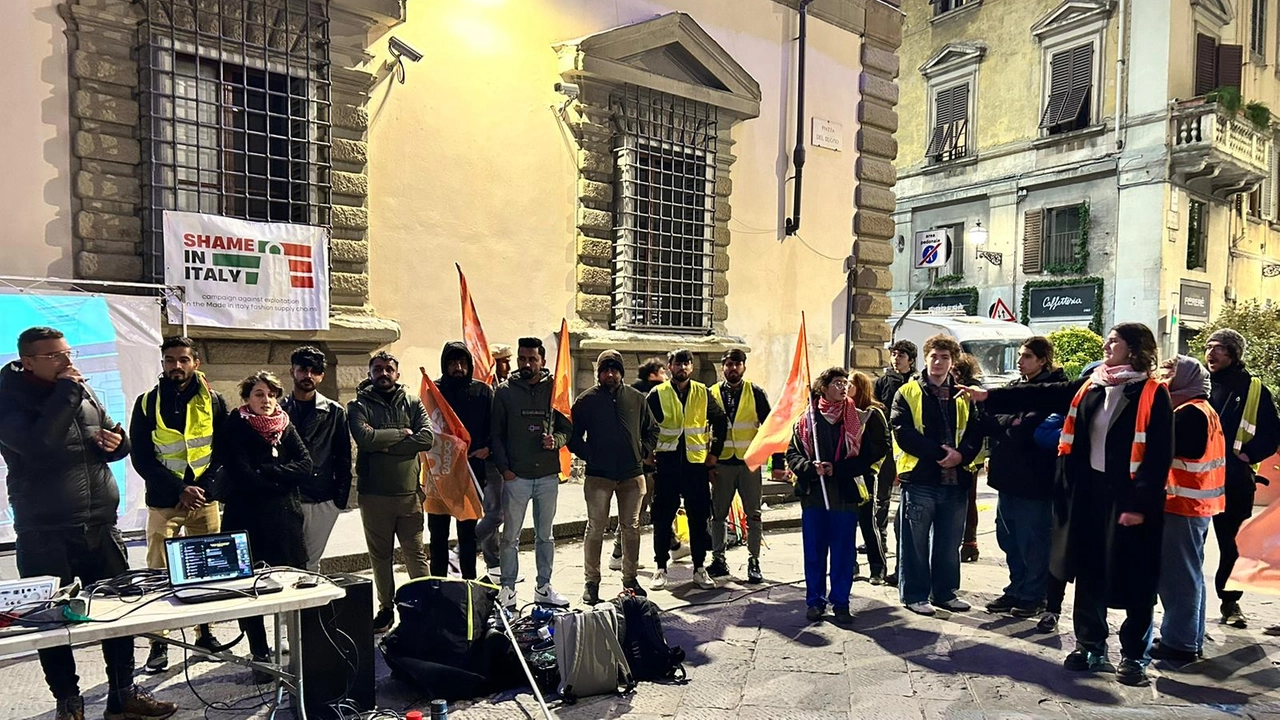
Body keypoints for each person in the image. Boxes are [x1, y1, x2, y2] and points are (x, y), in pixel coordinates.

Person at [968, 323, 1174, 686]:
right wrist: (989, 397)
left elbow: (1158, 456)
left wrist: (1139, 503)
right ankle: (1090, 645)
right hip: (1087, 492)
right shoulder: (1093, 383)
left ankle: (1133, 655)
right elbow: (1046, 393)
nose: (1108, 345)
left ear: (1135, 348)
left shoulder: (1154, 393)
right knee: (1088, 569)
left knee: (1135, 576)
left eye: (1115, 341)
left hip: (1129, 498)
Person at [0, 327, 178, 720]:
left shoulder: (80, 389)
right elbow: (36, 448)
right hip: (45, 529)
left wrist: (120, 444)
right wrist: (66, 392)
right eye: (55, 356)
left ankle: (123, 693)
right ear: (28, 361)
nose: (68, 362)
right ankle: (69, 701)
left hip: (100, 522)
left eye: (68, 352)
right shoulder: (9, 400)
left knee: (118, 612)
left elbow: (113, 434)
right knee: (52, 622)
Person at [129, 336, 229, 673]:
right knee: (159, 572)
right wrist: (179, 489)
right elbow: (142, 458)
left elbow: (222, 453)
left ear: (195, 363)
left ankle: (205, 634)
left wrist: (201, 489)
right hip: (164, 502)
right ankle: (160, 642)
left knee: (209, 568)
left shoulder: (214, 401)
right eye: (170, 360)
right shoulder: (146, 403)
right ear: (163, 364)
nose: (176, 366)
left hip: (205, 499)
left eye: (183, 360)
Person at [216, 371, 312, 682]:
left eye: (271, 394)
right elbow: (242, 474)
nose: (266, 401)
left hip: (286, 520)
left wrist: (270, 470)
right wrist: (281, 479)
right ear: (247, 398)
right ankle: (260, 654)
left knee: (293, 585)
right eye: (259, 394)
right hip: (247, 520)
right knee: (250, 591)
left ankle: (299, 652)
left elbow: (306, 465)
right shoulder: (235, 427)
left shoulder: (285, 424)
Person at [891, 334, 984, 616]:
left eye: (945, 357)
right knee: (915, 542)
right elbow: (902, 431)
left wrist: (961, 455)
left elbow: (976, 431)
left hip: (956, 480)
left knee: (948, 542)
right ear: (925, 358)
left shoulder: (964, 394)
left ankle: (945, 593)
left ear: (953, 362)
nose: (938, 362)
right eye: (934, 356)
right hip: (920, 478)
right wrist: (940, 454)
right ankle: (915, 595)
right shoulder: (907, 392)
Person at [787, 367, 888, 624]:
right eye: (837, 383)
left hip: (845, 495)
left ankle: (841, 602)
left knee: (844, 552)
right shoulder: (806, 419)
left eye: (845, 383)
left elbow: (875, 452)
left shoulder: (858, 417)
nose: (843, 388)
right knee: (814, 551)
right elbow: (793, 453)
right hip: (814, 496)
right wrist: (811, 468)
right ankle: (815, 601)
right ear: (824, 388)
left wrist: (839, 469)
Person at [348, 351, 434, 633]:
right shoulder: (358, 404)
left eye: (389, 369)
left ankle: (425, 607)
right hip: (374, 495)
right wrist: (402, 433)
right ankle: (386, 610)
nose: (383, 373)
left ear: (397, 374)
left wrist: (383, 443)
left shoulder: (411, 402)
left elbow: (426, 438)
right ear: (370, 373)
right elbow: (364, 438)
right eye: (378, 369)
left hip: (409, 494)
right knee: (380, 557)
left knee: (415, 554)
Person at [983, 337, 1068, 620]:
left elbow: (1032, 429)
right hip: (1007, 476)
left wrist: (1016, 423)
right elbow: (989, 420)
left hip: (1035, 480)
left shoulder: (1054, 391)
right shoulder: (1014, 387)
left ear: (1043, 360)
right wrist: (1012, 422)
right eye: (1020, 355)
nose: (1021, 361)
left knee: (1034, 539)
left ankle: (1034, 594)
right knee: (1007, 537)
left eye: (1028, 356)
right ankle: (1016, 587)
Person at [1150, 355, 1225, 664]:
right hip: (1194, 504)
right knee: (1190, 575)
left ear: (1185, 378)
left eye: (1168, 371)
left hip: (1183, 504)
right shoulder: (1199, 409)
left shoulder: (1188, 413)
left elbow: (1177, 450)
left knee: (1177, 578)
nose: (1162, 376)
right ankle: (1188, 637)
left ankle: (1179, 643)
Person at [1204, 328, 1280, 629]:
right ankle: (1186, 610)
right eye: (1209, 346)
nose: (1212, 353)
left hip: (1233, 481)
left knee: (1231, 544)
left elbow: (1272, 433)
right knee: (1187, 547)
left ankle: (1230, 602)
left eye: (1220, 347)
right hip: (1195, 481)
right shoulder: (1199, 383)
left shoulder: (1253, 389)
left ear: (1234, 353)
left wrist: (1249, 454)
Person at [569, 350, 659, 604]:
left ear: (621, 372)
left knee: (631, 528)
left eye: (615, 369)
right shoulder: (586, 401)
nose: (610, 374)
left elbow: (652, 429)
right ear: (599, 373)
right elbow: (573, 437)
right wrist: (590, 455)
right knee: (595, 528)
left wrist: (642, 450)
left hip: (632, 476)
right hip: (599, 476)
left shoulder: (636, 398)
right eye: (605, 369)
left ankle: (630, 579)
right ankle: (591, 582)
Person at [491, 337, 573, 610]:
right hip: (517, 478)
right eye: (522, 359)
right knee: (510, 537)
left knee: (545, 536)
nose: (526, 364)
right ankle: (508, 589)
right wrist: (506, 470)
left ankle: (544, 586)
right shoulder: (504, 392)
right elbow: (496, 435)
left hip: (548, 476)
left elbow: (567, 427)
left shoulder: (555, 390)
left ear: (543, 361)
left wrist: (557, 440)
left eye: (532, 359)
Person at [647, 348, 729, 590]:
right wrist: (647, 454)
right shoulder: (657, 393)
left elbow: (720, 420)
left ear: (691, 368)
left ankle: (699, 568)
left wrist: (715, 452)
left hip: (696, 465)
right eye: (677, 364)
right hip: (667, 464)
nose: (682, 368)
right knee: (662, 518)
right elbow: (644, 424)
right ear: (669, 367)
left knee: (698, 518)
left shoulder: (702, 392)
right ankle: (660, 567)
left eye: (686, 364)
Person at [708, 348, 787, 584]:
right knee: (718, 515)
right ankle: (718, 559)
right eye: (729, 364)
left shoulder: (756, 393)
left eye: (737, 364)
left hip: (749, 464)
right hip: (721, 463)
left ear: (744, 367)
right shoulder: (711, 393)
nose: (733, 368)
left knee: (754, 514)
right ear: (723, 367)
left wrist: (778, 463)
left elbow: (772, 428)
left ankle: (754, 561)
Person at [282, 346, 352, 573]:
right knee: (285, 564)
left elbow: (343, 456)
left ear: (321, 376)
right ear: (293, 371)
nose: (308, 376)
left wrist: (339, 499)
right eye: (303, 369)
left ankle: (310, 609)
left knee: (311, 565)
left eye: (315, 371)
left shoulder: (334, 412)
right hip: (286, 497)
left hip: (321, 499)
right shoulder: (278, 410)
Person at [432, 342, 493, 580]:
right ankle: (437, 586)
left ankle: (469, 585)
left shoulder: (483, 392)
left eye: (462, 363)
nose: (458, 368)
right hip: (441, 474)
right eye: (452, 363)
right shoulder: (433, 392)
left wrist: (488, 449)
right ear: (444, 365)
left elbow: (494, 427)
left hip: (471, 472)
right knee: (438, 534)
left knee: (467, 534)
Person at [610, 358, 670, 569]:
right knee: (635, 511)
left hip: (639, 460)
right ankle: (618, 553)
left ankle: (672, 542)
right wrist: (647, 453)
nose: (666, 375)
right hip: (645, 462)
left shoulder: (631, 392)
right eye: (663, 371)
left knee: (651, 507)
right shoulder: (655, 393)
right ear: (653, 373)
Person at [874, 339, 916, 586]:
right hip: (887, 451)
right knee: (880, 502)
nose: (896, 358)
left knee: (908, 508)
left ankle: (904, 562)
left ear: (911, 360)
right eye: (894, 354)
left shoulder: (918, 383)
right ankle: (880, 549)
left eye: (901, 355)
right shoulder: (882, 382)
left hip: (910, 452)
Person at [848, 371, 892, 584]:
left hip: (865, 475)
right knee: (846, 522)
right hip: (846, 474)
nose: (846, 387)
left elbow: (883, 445)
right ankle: (850, 565)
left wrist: (864, 464)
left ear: (861, 388)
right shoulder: (843, 410)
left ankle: (878, 568)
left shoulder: (873, 413)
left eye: (850, 384)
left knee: (867, 521)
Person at [951, 353, 984, 564]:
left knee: (968, 499)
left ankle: (970, 543)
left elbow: (978, 425)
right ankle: (967, 543)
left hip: (971, 456)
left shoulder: (971, 391)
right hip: (964, 453)